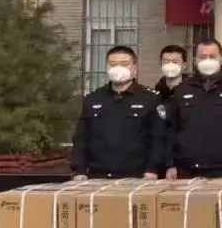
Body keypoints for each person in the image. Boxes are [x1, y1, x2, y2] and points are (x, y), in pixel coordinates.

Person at [71, 46, 166, 179]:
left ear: (134, 68)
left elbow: (158, 138)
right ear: (107, 67)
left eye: (124, 64)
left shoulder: (150, 99)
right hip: (98, 175)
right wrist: (79, 170)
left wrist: (152, 169)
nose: (118, 68)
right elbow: (81, 138)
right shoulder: (93, 98)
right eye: (113, 64)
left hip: (137, 175)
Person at [164, 39, 222, 178]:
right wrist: (170, 164)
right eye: (202, 57)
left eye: (212, 56)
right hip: (186, 169)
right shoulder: (182, 89)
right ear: (195, 60)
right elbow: (171, 129)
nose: (208, 61)